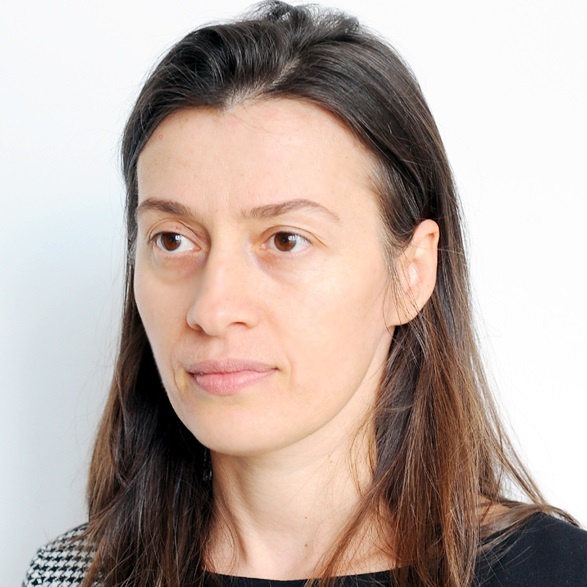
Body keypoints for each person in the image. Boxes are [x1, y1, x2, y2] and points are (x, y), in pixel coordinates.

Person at [22, 2, 587, 586]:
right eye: (173, 239)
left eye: (286, 240)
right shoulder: (73, 575)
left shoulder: (559, 574)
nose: (212, 310)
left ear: (412, 273)